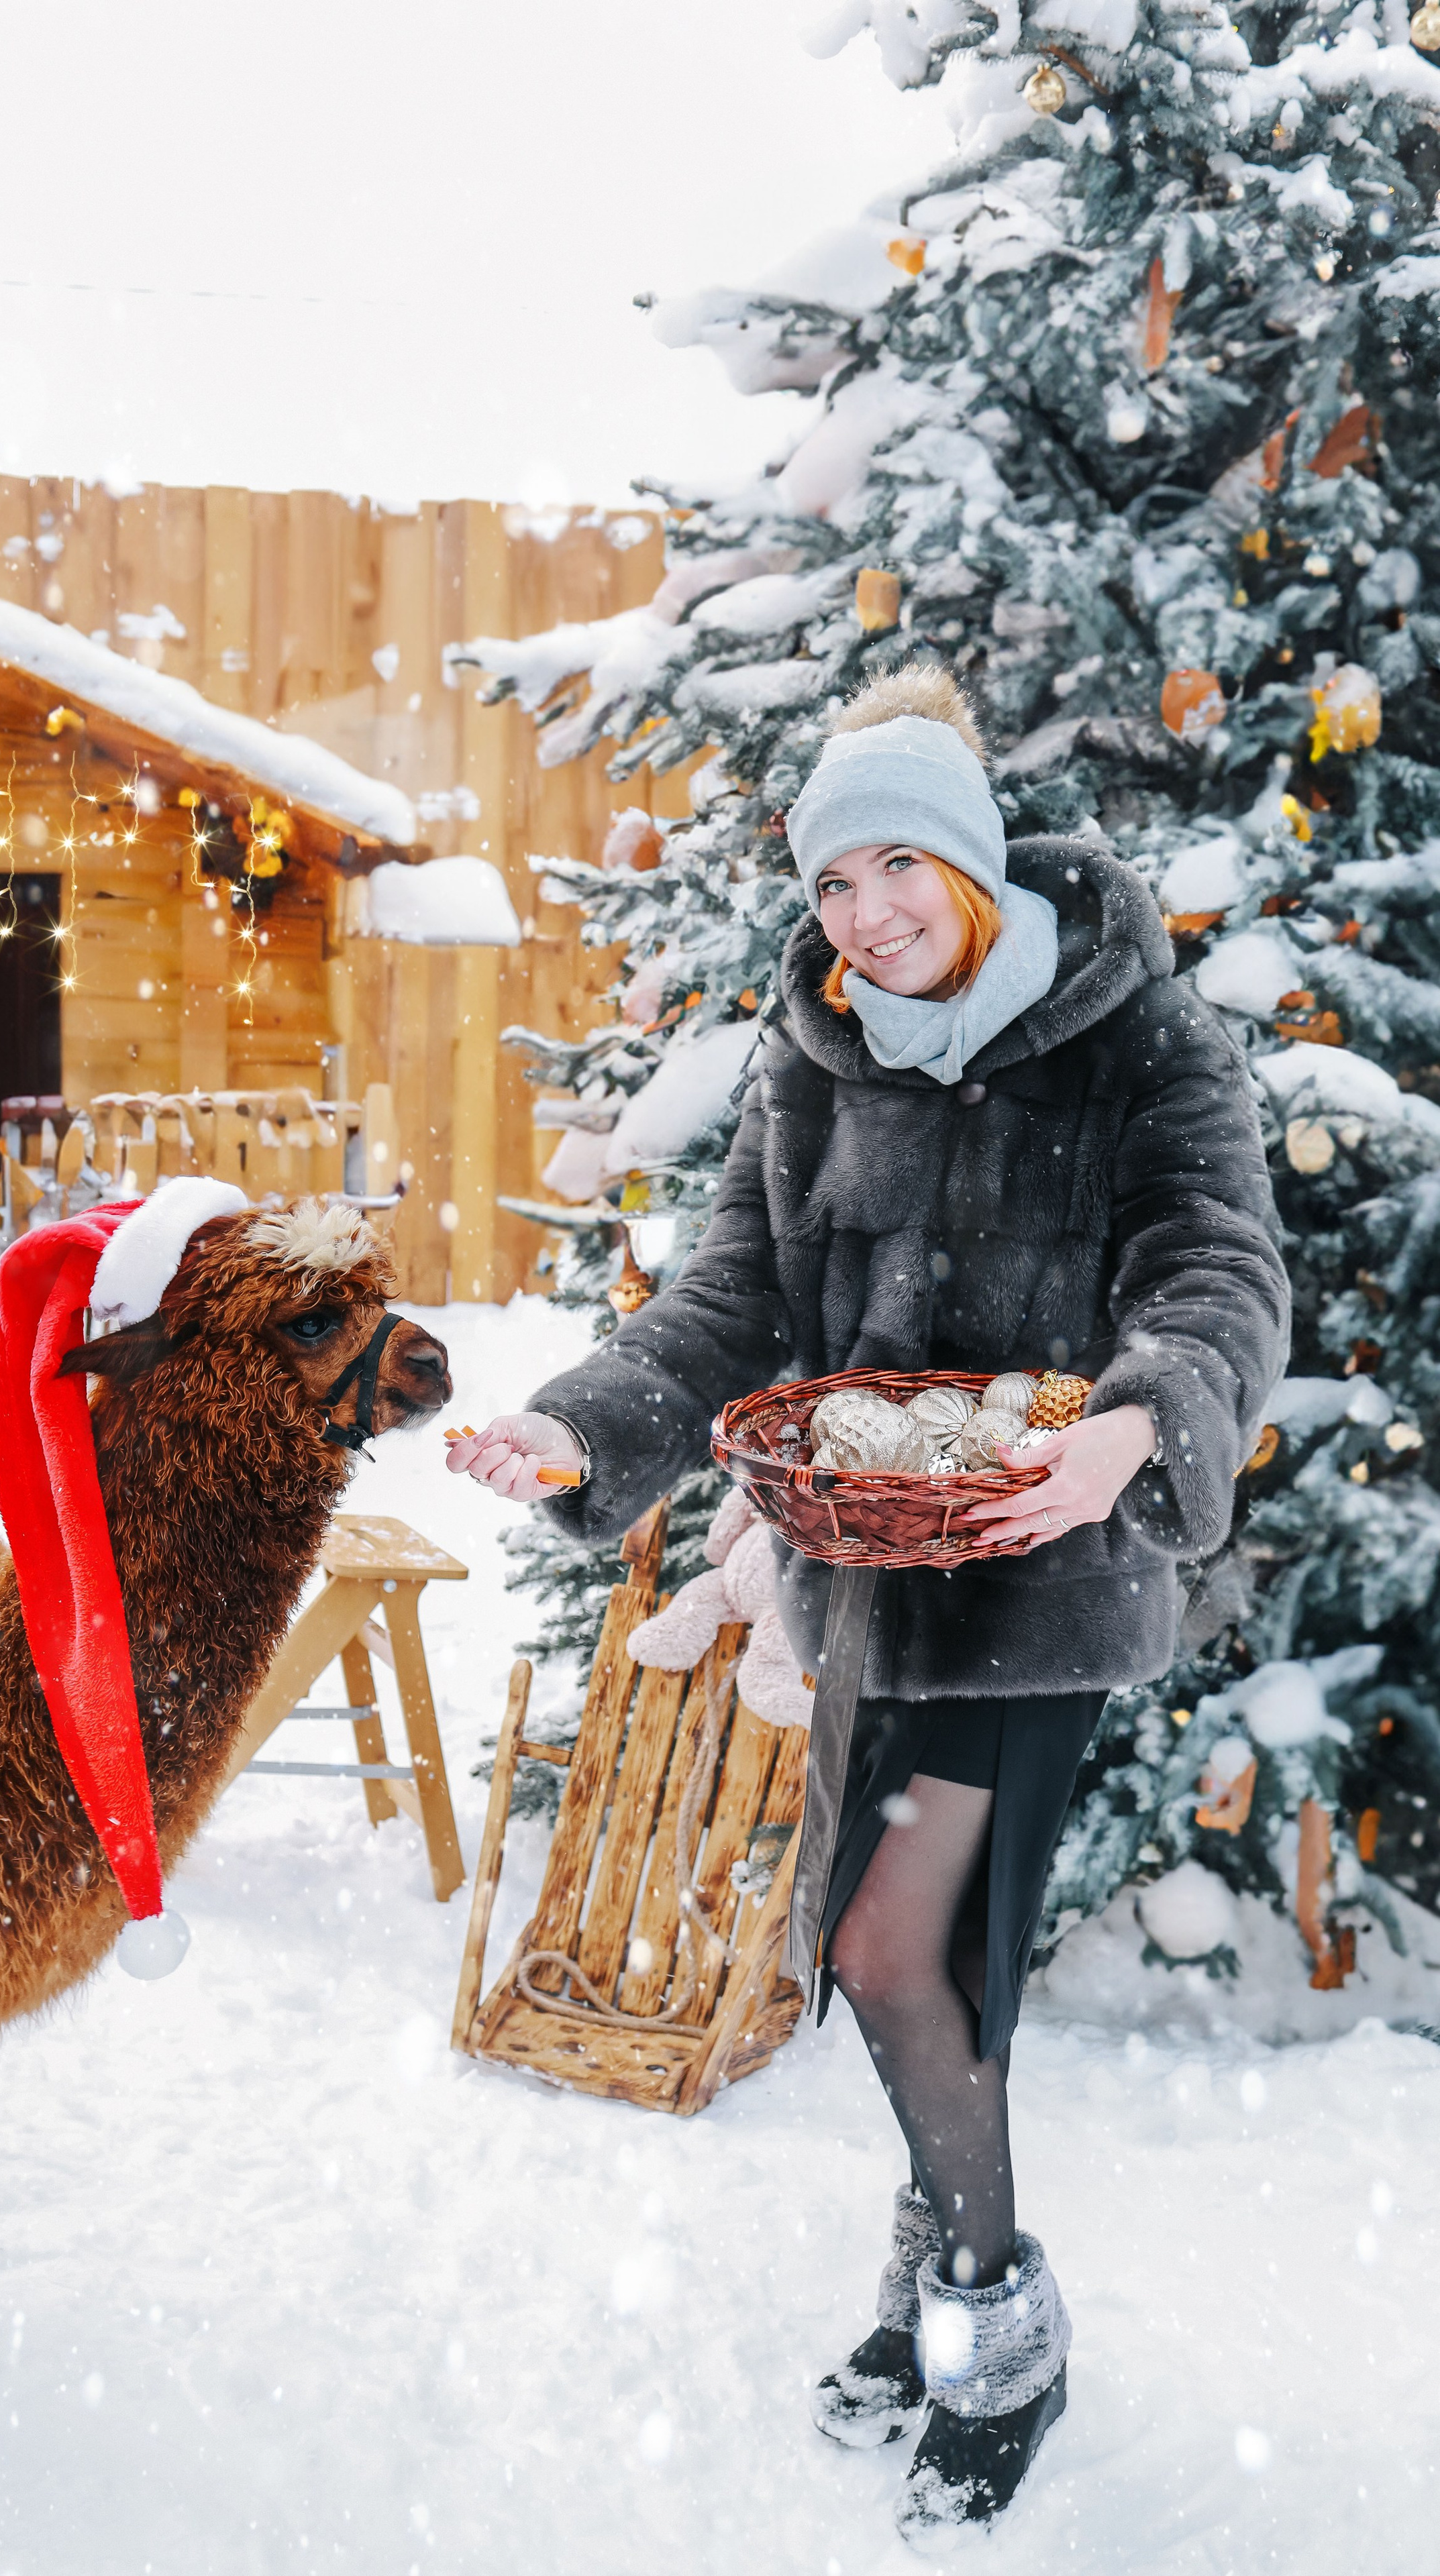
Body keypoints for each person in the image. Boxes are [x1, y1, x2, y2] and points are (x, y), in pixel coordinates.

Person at [447, 663, 1288, 2532]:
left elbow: (1219, 1262)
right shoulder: (810, 1054)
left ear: (975, 864)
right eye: (832, 884)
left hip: (1041, 1582)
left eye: (898, 867)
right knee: (897, 1955)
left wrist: (1137, 1426)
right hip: (865, 1581)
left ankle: (998, 2317)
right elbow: (726, 1306)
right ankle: (928, 2279)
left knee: (899, 1952)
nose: (866, 915)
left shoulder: (1137, 1036)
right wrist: (585, 1436)